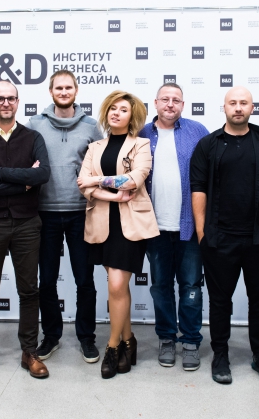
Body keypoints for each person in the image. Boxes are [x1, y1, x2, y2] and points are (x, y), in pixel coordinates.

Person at [190, 86, 259, 385]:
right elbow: (198, 189)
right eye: (233, 103)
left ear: (252, 108)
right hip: (219, 239)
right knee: (220, 302)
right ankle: (220, 354)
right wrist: (202, 233)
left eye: (244, 103)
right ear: (225, 107)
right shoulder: (208, 145)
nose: (238, 107)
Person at [0, 80, 51, 383]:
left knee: (29, 290)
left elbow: (43, 174)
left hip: (27, 223)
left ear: (18, 101)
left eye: (11, 98)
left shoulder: (33, 137)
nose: (5, 103)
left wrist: (1, 173)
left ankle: (29, 352)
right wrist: (24, 182)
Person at [77, 90, 159, 379]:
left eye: (123, 109)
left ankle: (112, 347)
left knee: (115, 285)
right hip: (102, 224)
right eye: (113, 108)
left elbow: (133, 180)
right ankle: (128, 341)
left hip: (131, 225)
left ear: (132, 116)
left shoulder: (141, 144)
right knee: (118, 288)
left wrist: (97, 180)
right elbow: (82, 185)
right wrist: (112, 195)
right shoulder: (94, 147)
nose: (116, 113)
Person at [25, 70, 102, 363]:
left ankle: (87, 337)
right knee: (46, 280)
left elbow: (100, 165)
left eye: (68, 87)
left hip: (81, 213)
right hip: (44, 213)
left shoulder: (91, 126)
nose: (64, 91)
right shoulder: (35, 124)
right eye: (59, 87)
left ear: (76, 90)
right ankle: (51, 336)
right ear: (51, 91)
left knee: (85, 280)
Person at [139, 83, 209, 370]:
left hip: (189, 225)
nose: (170, 104)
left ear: (183, 104)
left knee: (191, 286)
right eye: (165, 99)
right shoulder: (141, 133)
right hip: (153, 226)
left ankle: (191, 340)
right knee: (161, 286)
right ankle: (167, 338)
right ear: (155, 103)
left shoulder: (197, 131)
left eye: (176, 100)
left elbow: (210, 175)